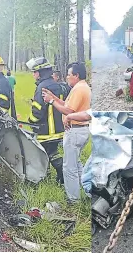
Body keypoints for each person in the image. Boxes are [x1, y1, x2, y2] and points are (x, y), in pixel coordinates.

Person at [42, 62, 91, 204]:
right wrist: (55, 98)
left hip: (74, 131)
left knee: (69, 167)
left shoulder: (78, 89)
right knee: (77, 163)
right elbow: (68, 105)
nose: (67, 77)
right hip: (81, 130)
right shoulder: (82, 87)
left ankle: (73, 199)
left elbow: (68, 111)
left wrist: (51, 101)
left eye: (69, 75)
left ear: (76, 75)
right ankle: (87, 190)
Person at [25, 57, 68, 183]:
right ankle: (57, 177)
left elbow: (37, 111)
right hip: (58, 128)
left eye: (34, 72)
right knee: (52, 153)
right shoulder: (57, 85)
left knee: (46, 154)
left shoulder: (42, 88)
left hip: (46, 130)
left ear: (40, 72)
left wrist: (30, 120)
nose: (33, 75)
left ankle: (60, 176)